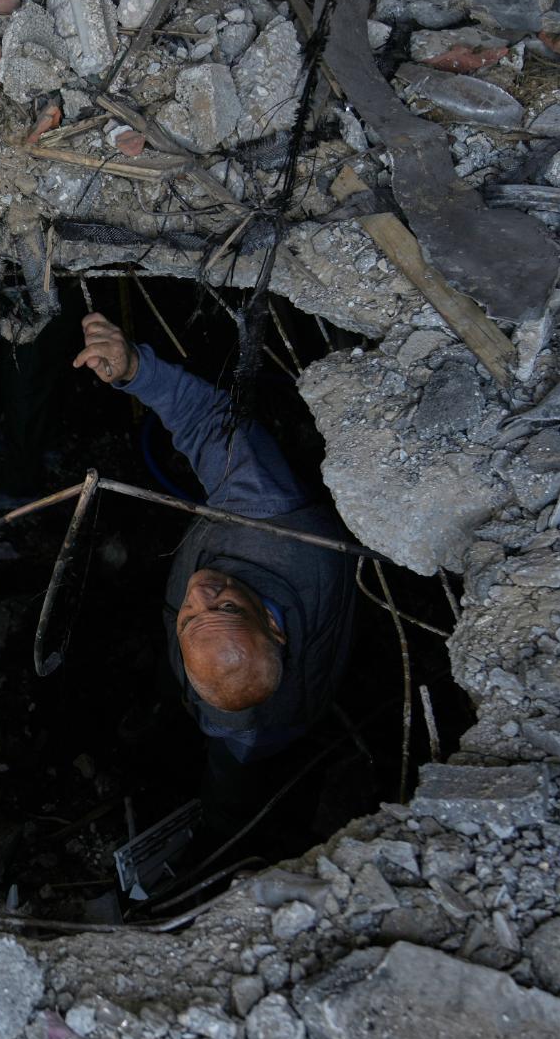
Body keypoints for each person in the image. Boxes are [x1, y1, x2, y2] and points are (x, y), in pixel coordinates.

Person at [71, 312, 356, 812]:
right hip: (281, 690)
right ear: (272, 626)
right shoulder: (265, 509)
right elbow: (208, 422)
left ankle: (221, 820)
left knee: (230, 767)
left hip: (272, 730)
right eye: (223, 608)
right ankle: (170, 702)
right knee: (192, 686)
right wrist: (135, 368)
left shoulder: (247, 726)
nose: (199, 591)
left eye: (192, 616)